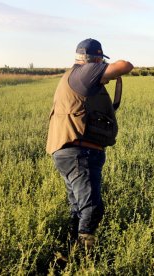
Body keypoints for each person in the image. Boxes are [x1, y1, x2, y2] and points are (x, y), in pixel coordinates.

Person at [46, 38, 133, 251]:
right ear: (95, 59)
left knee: (78, 206)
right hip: (79, 152)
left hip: (66, 151)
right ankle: (85, 255)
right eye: (100, 61)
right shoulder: (85, 73)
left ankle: (68, 252)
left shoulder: (71, 75)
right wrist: (105, 70)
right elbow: (125, 65)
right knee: (92, 207)